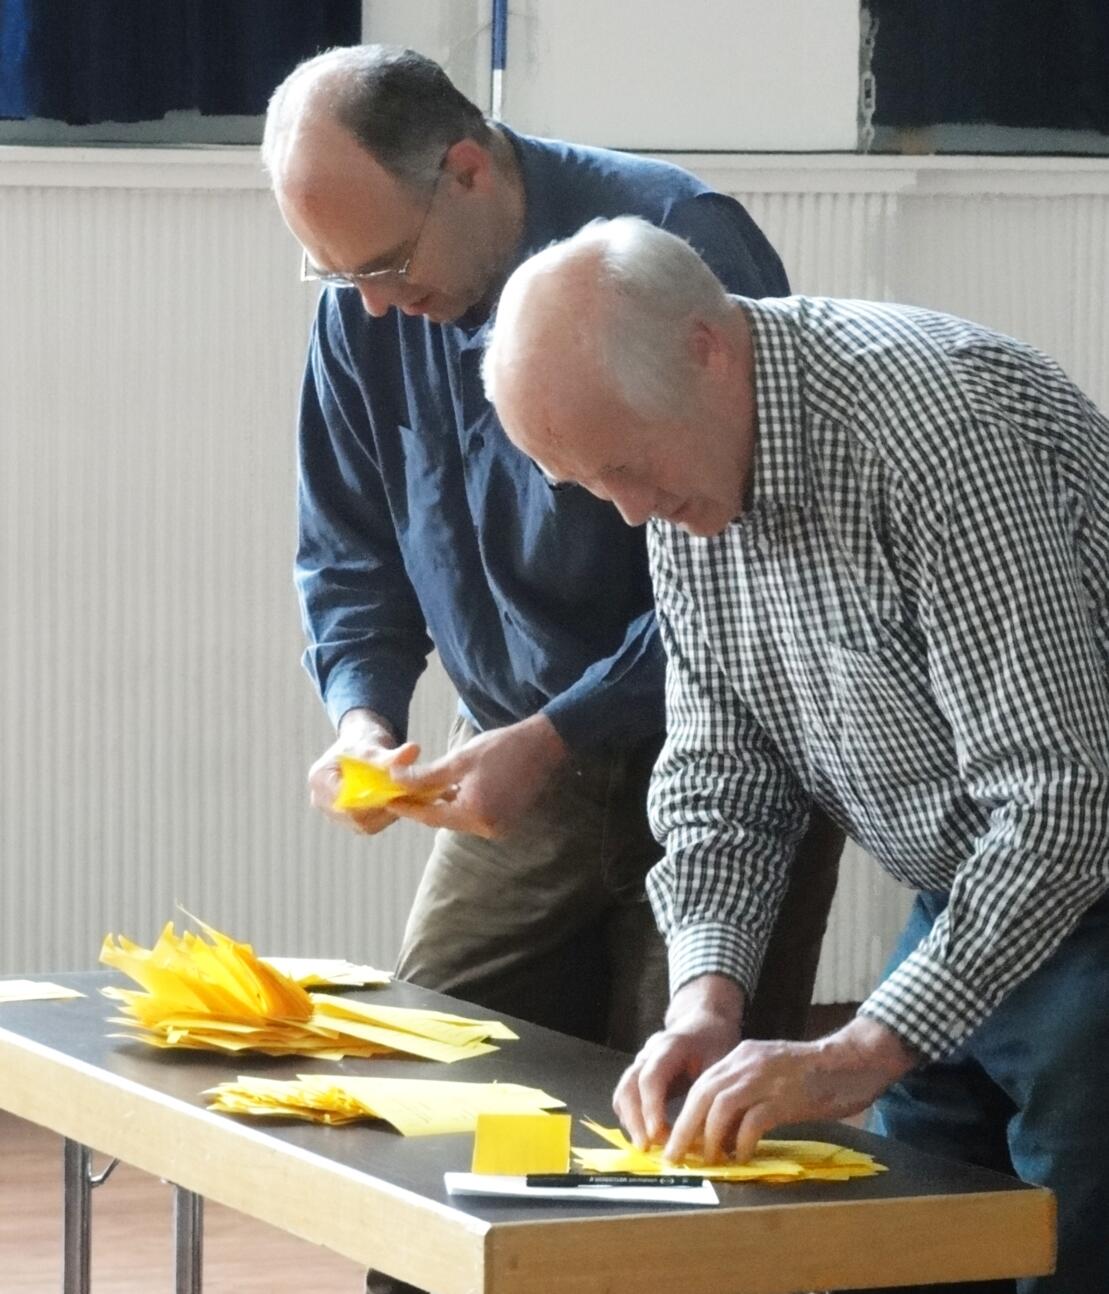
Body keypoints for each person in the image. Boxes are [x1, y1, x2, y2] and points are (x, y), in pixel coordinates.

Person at [482, 215, 1109, 1294]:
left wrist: (856, 1051)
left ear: (705, 348)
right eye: (588, 485)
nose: (631, 512)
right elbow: (723, 772)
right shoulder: (681, 478)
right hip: (977, 881)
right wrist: (704, 1000)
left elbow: (1060, 803)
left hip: (1074, 868)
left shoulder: (933, 435)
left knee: (1067, 1247)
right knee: (901, 1240)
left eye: (626, 466)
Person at [261, 38, 841, 1064]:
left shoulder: (667, 242)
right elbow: (348, 555)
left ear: (466, 169)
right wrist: (362, 721)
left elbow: (760, 566)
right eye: (336, 274)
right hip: (513, 759)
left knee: (683, 1134)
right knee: (423, 1091)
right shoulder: (362, 308)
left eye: (387, 265)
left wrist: (562, 729)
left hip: (725, 762)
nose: (374, 307)